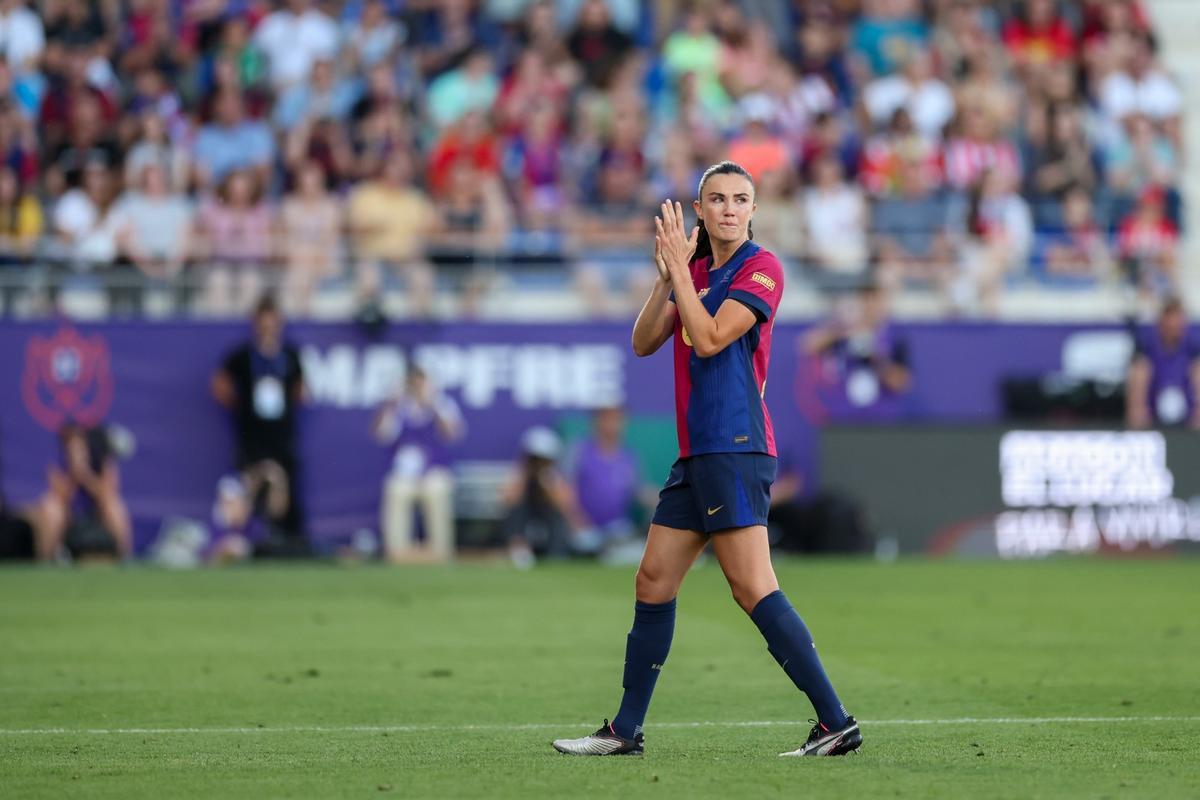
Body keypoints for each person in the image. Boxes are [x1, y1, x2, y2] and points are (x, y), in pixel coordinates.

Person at [552, 161, 861, 758]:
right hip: (697, 452)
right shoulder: (693, 269)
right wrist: (667, 276)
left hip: (736, 445)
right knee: (654, 578)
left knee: (750, 586)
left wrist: (682, 278)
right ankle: (625, 730)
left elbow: (713, 335)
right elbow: (643, 342)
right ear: (699, 210)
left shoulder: (762, 269)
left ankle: (835, 721)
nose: (728, 209)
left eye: (740, 199)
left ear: (753, 209)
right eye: (716, 199)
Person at [211, 295, 308, 545]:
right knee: (249, 485)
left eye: (272, 323)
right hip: (252, 436)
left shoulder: (290, 355)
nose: (268, 328)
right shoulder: (243, 355)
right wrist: (240, 405)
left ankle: (286, 538)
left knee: (284, 484)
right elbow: (219, 385)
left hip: (282, 434)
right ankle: (248, 538)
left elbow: (301, 390)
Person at [371, 365, 464, 563]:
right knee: (396, 489)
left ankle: (441, 552)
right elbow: (380, 434)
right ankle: (396, 552)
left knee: (437, 489)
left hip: (433, 471)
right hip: (405, 473)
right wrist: (389, 405)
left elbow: (452, 434)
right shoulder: (398, 408)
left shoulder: (442, 404)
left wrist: (432, 404)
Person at [1126, 298, 1200, 429]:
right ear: (1161, 324)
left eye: (1177, 323)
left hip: (1186, 408)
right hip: (1153, 406)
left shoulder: (1191, 347)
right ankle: (1140, 433)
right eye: (1169, 324)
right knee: (1140, 370)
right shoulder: (1147, 346)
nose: (1173, 327)